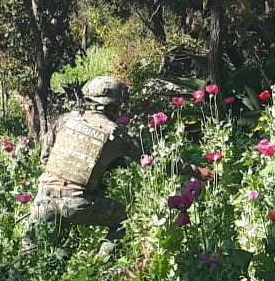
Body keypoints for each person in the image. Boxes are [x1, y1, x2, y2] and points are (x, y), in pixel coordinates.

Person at [31, 75, 213, 242]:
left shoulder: (64, 120)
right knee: (124, 220)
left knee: (29, 253)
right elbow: (156, 162)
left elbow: (45, 158)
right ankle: (100, 268)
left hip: (43, 198)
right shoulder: (115, 134)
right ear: (113, 106)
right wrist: (196, 171)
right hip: (78, 204)